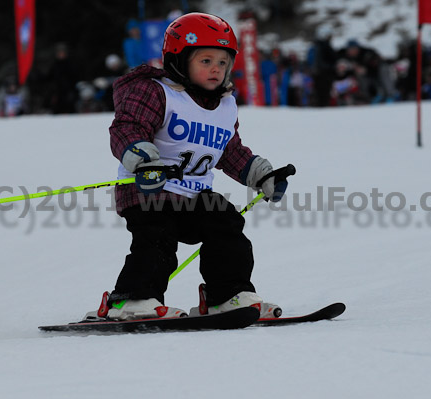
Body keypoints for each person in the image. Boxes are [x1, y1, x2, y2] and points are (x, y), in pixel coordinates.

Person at [88, 12, 288, 321]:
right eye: (205, 61)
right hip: (148, 190)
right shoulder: (156, 92)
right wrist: (143, 160)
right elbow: (127, 128)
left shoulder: (224, 104)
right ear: (179, 60)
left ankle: (227, 295)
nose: (215, 70)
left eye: (222, 63)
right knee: (158, 238)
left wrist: (260, 174)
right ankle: (132, 299)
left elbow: (229, 150)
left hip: (193, 196)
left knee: (226, 223)